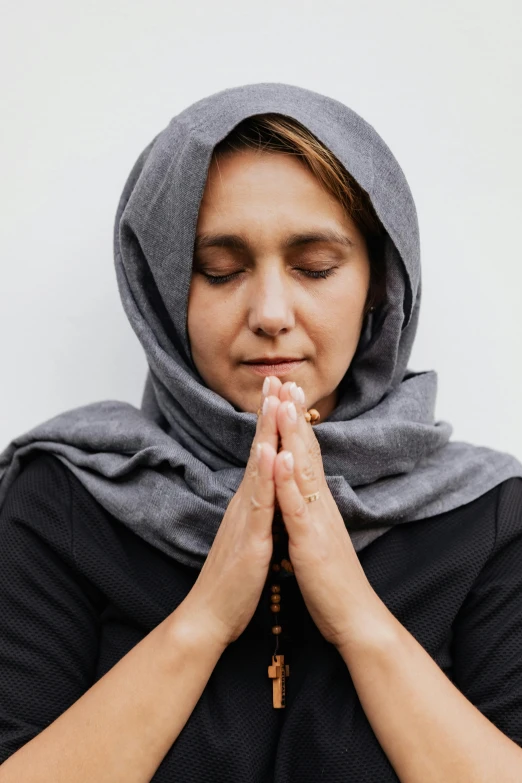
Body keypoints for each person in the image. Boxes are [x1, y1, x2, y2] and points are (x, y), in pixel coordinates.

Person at [1, 82, 522, 782]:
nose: (271, 311)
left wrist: (356, 615)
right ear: (162, 290)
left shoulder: (487, 513)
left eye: (315, 267)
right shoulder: (66, 494)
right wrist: (206, 617)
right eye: (220, 271)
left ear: (379, 285)